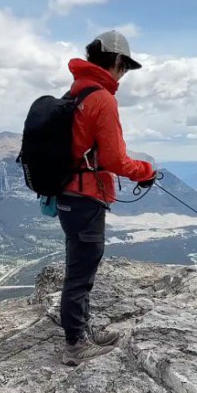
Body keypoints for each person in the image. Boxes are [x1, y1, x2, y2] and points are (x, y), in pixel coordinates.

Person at [56, 30, 158, 366]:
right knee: (81, 271)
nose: (125, 74)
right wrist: (145, 170)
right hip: (86, 196)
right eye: (125, 66)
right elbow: (115, 159)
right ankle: (75, 345)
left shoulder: (76, 92)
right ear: (115, 61)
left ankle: (81, 330)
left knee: (80, 265)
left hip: (68, 193)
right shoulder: (101, 98)